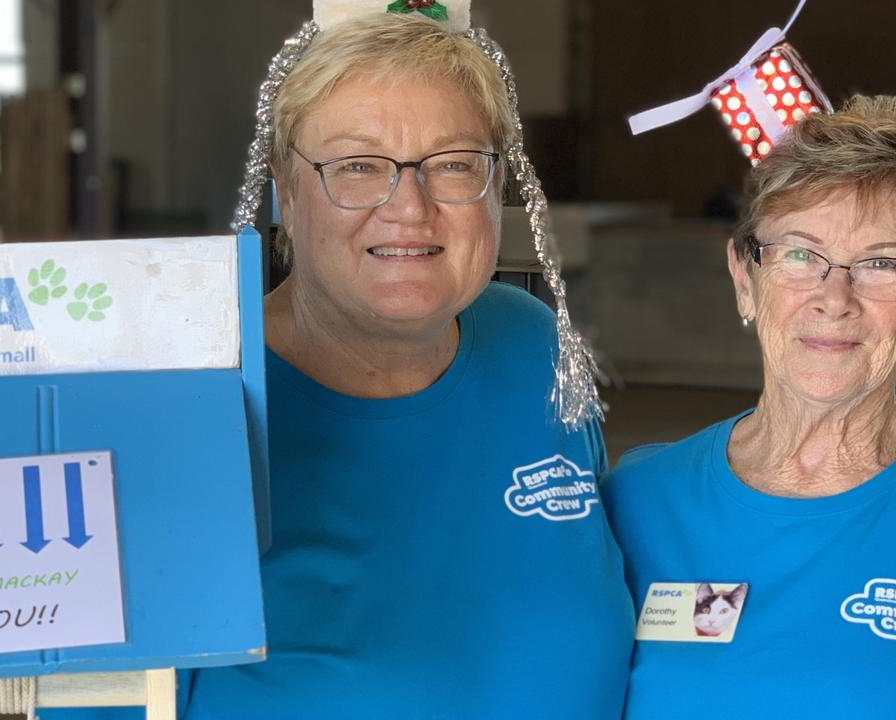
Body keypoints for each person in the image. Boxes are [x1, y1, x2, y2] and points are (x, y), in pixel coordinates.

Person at [179, 9, 634, 719]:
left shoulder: (530, 347)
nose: (410, 209)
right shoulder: (188, 394)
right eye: (357, 167)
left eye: (453, 164)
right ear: (286, 192)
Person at [604, 95, 896, 717]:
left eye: (880, 262)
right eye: (801, 254)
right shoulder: (637, 503)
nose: (835, 297)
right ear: (746, 279)